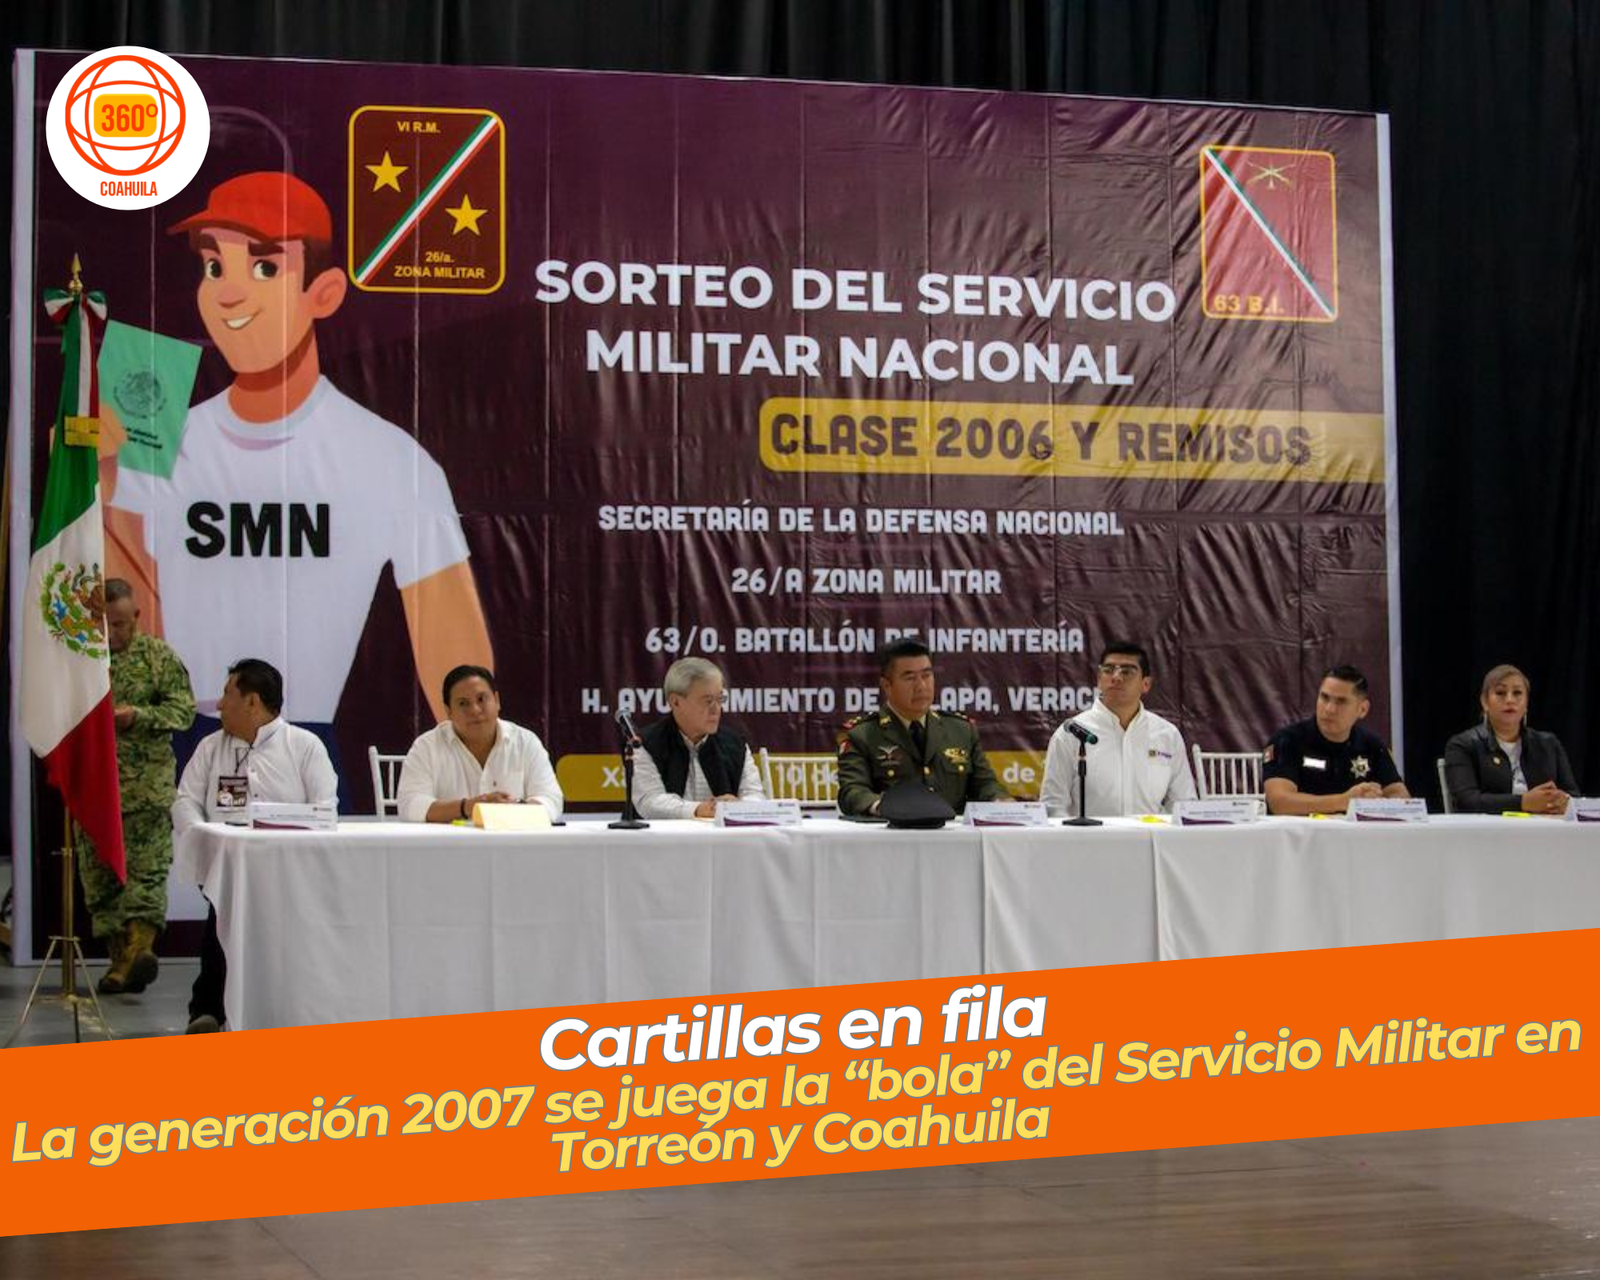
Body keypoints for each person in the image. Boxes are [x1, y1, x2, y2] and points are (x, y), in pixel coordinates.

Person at [99, 170, 492, 748]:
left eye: (264, 267)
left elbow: (459, 667)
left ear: (323, 293)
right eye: (214, 267)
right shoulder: (156, 443)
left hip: (307, 742)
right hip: (183, 738)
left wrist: (472, 774)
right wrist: (103, 480)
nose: (229, 293)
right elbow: (122, 623)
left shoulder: (392, 461)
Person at [174, 658, 338, 1032]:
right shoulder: (210, 747)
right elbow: (185, 801)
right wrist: (204, 835)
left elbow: (325, 808)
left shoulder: (304, 746)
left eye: (227, 694)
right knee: (222, 919)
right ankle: (208, 1011)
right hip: (228, 863)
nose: (218, 704)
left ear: (252, 702)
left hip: (289, 869)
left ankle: (282, 1010)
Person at [83, 579, 196, 994]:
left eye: (120, 624)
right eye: (105, 625)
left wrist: (140, 716)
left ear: (136, 617)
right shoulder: (82, 659)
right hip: (94, 789)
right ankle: (121, 962)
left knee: (144, 875)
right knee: (101, 879)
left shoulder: (157, 657)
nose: (113, 633)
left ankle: (139, 952)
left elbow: (183, 711)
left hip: (144, 789)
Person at [837, 638, 1008, 816]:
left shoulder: (961, 731)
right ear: (887, 686)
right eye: (910, 678)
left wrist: (999, 800)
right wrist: (884, 807)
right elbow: (853, 791)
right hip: (893, 828)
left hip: (953, 830)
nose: (921, 686)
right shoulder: (861, 735)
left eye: (926, 675)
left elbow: (985, 784)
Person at [1041, 640, 1196, 817]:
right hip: (1090, 835)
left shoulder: (1167, 735)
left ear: (1146, 684)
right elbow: (1053, 806)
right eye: (1108, 670)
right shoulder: (1071, 733)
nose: (1116, 677)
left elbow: (1183, 803)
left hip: (1152, 834)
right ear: (1099, 680)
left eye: (1127, 671)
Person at [397, 665, 563, 822]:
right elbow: (410, 805)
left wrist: (514, 810)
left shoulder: (525, 742)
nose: (475, 710)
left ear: (496, 700)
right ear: (448, 711)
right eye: (463, 703)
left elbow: (551, 800)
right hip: (450, 842)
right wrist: (469, 807)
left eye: (481, 699)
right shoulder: (426, 747)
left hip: (511, 840)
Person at [1264, 665, 1409, 815]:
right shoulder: (1286, 740)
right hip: (1301, 829)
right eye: (1324, 697)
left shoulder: (1372, 745)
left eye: (1341, 702)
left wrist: (1378, 801)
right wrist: (1344, 801)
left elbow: (1401, 796)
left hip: (1356, 829)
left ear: (1362, 709)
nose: (1329, 709)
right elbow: (1280, 803)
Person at [632, 657, 766, 819]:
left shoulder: (735, 743)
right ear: (675, 702)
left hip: (722, 835)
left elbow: (755, 796)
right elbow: (650, 802)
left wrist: (738, 806)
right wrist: (699, 809)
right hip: (664, 835)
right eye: (708, 701)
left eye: (720, 699)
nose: (716, 709)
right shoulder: (643, 743)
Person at [1443, 664, 1577, 815]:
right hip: (1489, 828)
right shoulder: (1462, 745)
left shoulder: (1549, 744)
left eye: (1517, 693)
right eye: (1500, 693)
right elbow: (1466, 801)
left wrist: (1561, 802)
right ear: (1485, 702)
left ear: (1526, 703)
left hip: (1545, 826)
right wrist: (1523, 802)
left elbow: (1573, 796)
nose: (1510, 700)